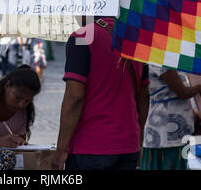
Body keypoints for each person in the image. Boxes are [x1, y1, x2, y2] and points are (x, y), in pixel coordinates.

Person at [52, 17, 150, 170]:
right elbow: (144, 95)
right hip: (129, 146)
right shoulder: (137, 38)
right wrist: (139, 139)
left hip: (90, 146)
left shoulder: (82, 36)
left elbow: (75, 97)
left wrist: (60, 150)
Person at [140, 66, 201, 170]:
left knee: (182, 163)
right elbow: (182, 92)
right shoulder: (160, 60)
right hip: (164, 135)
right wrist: (200, 88)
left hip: (179, 134)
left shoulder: (173, 61)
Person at [0, 65, 42, 149]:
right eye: (18, 97)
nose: (21, 105)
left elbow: (19, 145)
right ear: (7, 85)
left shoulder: (23, 113)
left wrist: (20, 143)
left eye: (27, 101)